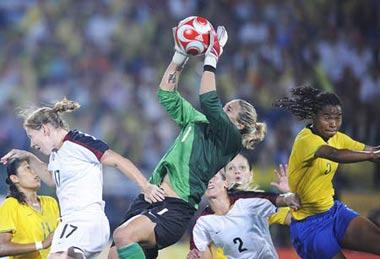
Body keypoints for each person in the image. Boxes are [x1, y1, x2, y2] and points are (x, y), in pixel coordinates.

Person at [110, 24, 267, 259]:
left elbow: (208, 99)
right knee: (114, 253)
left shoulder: (230, 139)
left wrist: (212, 57)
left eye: (229, 109)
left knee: (123, 235)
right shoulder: (197, 121)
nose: (223, 110)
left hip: (175, 206)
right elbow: (166, 94)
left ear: (241, 125)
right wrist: (179, 56)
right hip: (151, 196)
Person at [1, 99, 164, 259]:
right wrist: (29, 157)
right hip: (77, 224)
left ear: (45, 130)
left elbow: (117, 160)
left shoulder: (78, 142)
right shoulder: (56, 153)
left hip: (84, 220)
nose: (32, 143)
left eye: (31, 136)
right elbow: (52, 180)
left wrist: (146, 186)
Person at [274, 86, 380, 258]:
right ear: (314, 117)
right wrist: (371, 155)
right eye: (327, 117)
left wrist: (374, 154)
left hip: (334, 213)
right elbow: (334, 154)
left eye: (338, 117)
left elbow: (372, 151)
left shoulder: (337, 137)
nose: (333, 123)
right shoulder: (305, 140)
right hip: (308, 225)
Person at [187, 153, 292, 259]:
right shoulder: (204, 222)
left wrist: (289, 193)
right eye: (231, 168)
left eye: (242, 167)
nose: (237, 172)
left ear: (251, 175)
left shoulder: (256, 204)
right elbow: (202, 253)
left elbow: (297, 218)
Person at [0, 157, 59, 259]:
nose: (35, 172)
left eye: (34, 168)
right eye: (28, 168)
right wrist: (42, 244)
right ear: (15, 178)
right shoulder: (11, 205)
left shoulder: (51, 202)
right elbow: (1, 248)